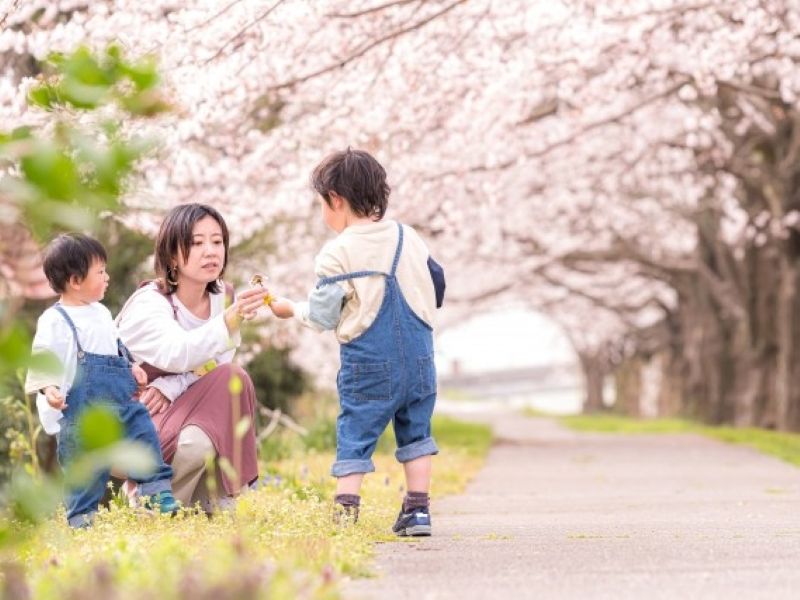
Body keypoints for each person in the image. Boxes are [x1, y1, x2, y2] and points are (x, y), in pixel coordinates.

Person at [269, 148, 444, 536]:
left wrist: (290, 308)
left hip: (369, 362)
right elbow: (438, 283)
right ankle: (418, 511)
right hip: (419, 359)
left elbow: (322, 315)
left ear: (335, 199)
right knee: (417, 431)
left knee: (356, 432)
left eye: (321, 203)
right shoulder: (409, 237)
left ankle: (346, 511)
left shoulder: (338, 252)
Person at [116, 203, 269, 512]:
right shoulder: (150, 303)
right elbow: (179, 352)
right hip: (131, 419)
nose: (210, 251)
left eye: (217, 241)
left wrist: (171, 386)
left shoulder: (222, 297)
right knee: (196, 440)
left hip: (177, 406)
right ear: (172, 256)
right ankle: (146, 498)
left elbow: (217, 364)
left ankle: (213, 500)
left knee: (232, 379)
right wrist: (231, 319)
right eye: (196, 243)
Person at [24, 233, 179, 528]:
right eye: (100, 272)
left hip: (120, 405)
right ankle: (81, 520)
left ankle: (156, 492)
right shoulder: (55, 320)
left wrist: (132, 367)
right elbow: (42, 358)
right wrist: (49, 388)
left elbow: (115, 347)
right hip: (79, 413)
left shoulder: (102, 313)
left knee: (144, 432)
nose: (107, 277)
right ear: (75, 280)